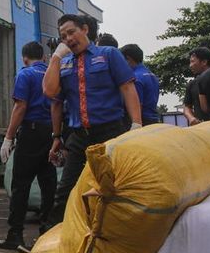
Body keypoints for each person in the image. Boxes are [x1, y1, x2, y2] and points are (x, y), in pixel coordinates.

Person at [43, 14, 142, 227]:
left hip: (110, 132)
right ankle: (50, 240)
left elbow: (127, 87)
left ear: (85, 29)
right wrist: (55, 57)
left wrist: (136, 124)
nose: (68, 38)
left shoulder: (108, 55)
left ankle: (118, 234)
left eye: (71, 32)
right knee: (66, 190)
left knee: (114, 186)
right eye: (63, 36)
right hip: (79, 136)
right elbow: (52, 94)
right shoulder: (64, 63)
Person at [0, 41, 57, 251]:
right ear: (42, 57)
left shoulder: (25, 74)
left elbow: (20, 106)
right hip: (50, 132)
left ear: (25, 58)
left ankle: (15, 234)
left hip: (31, 132)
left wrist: (8, 137)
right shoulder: (52, 74)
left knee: (21, 184)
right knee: (48, 183)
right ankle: (48, 231)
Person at [120, 44, 160, 124]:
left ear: (128, 59)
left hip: (142, 121)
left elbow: (137, 106)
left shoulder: (135, 78)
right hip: (154, 119)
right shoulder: (152, 75)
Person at [182, 47, 210, 126]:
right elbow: (187, 107)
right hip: (201, 128)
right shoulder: (192, 84)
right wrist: (191, 118)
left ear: (204, 62)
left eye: (192, 62)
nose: (190, 65)